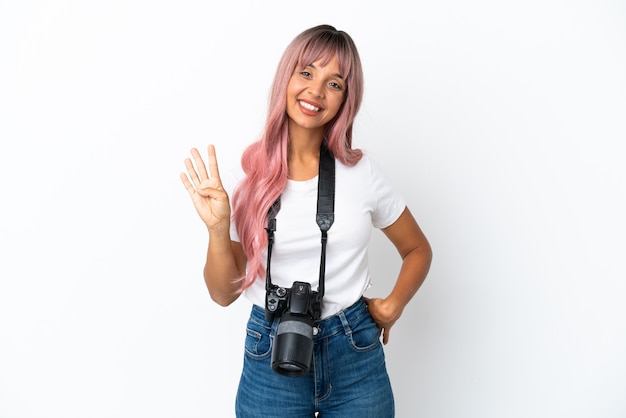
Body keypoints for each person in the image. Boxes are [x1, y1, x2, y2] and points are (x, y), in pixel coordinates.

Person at [180, 24, 432, 418]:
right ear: (287, 77)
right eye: (307, 72)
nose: (316, 91)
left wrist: (393, 305)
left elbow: (417, 248)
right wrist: (217, 229)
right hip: (270, 346)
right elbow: (222, 294)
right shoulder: (244, 178)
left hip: (354, 352)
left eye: (335, 83)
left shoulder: (362, 173)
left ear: (346, 99)